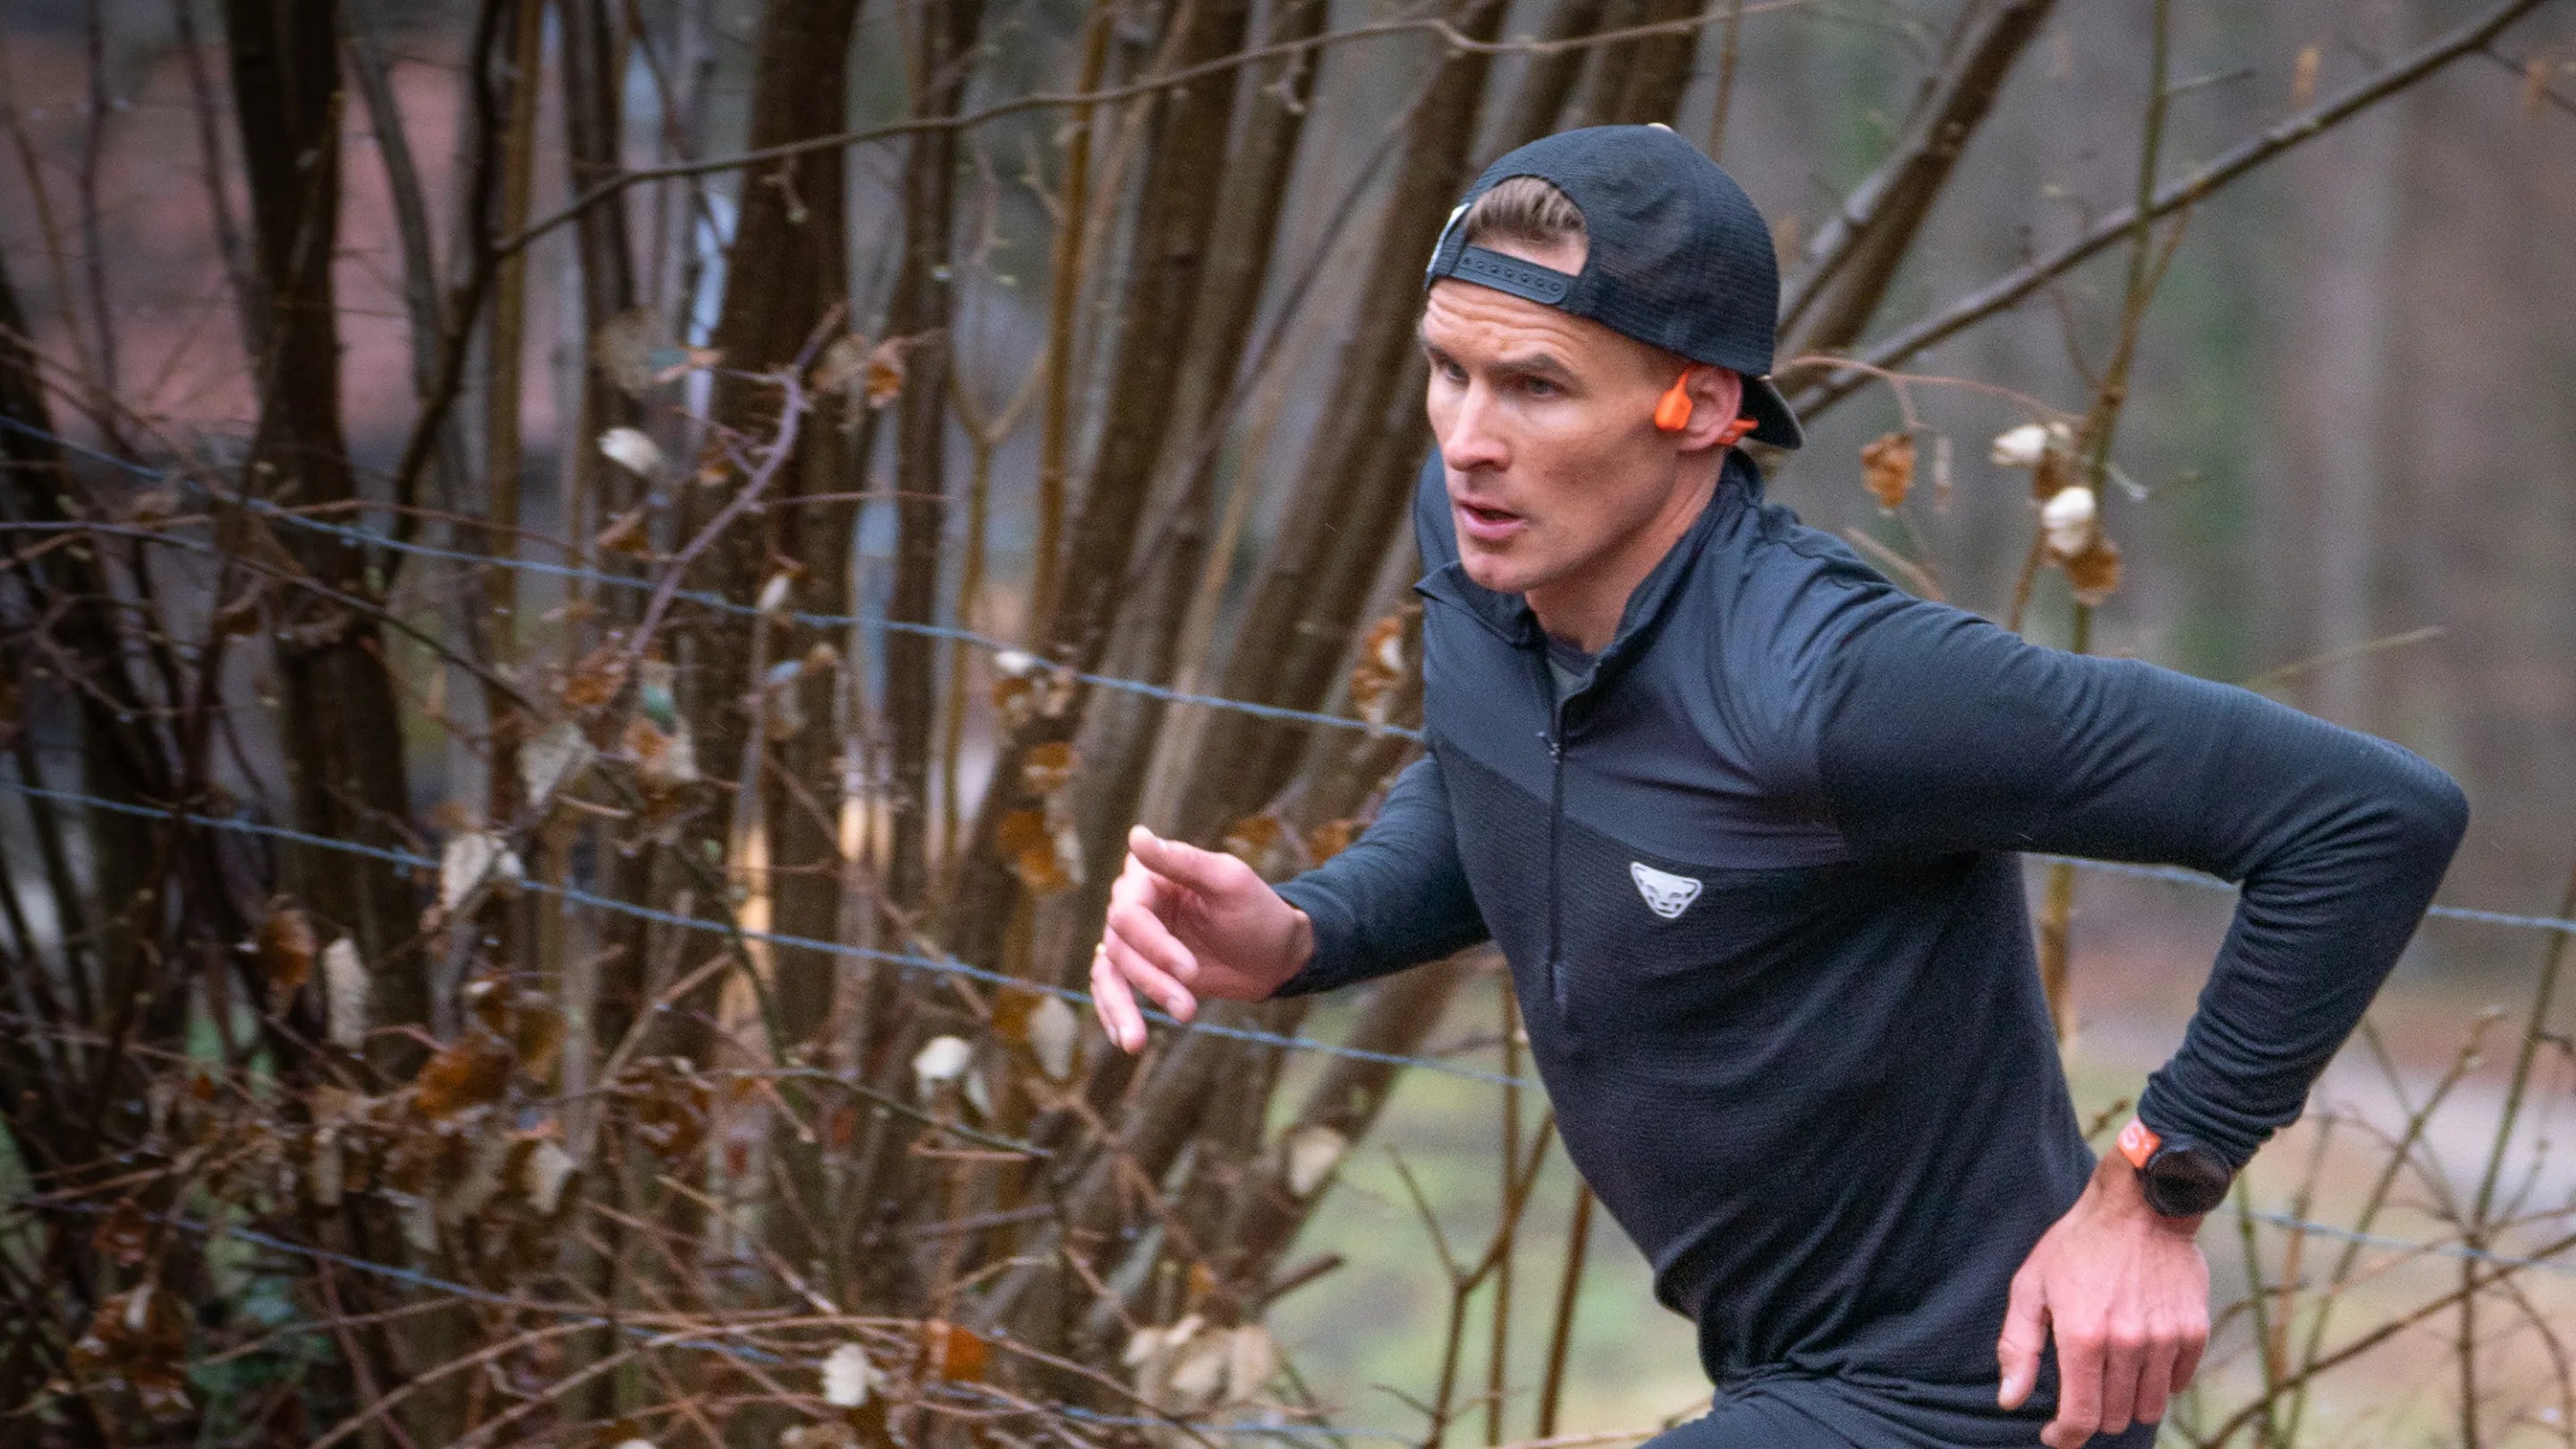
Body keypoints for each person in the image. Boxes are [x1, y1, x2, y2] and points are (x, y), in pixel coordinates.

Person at [1087, 125, 2468, 1449]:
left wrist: (2157, 1192)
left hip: (1967, 1394)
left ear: (1701, 407)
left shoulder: (1838, 688)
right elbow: (1507, 774)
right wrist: (1307, 932)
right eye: (1448, 371)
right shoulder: (1485, 535)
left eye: (1538, 387)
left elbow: (2365, 816)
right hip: (1783, 1374)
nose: (1469, 438)